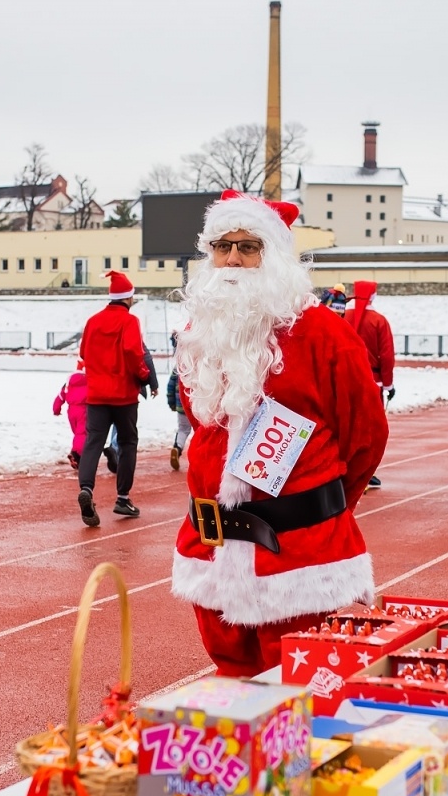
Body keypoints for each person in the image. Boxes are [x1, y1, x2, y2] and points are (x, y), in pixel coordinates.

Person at [171, 190, 387, 677]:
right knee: (234, 698)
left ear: (275, 257)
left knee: (305, 699)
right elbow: (199, 420)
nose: (232, 259)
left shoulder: (324, 334)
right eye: (222, 246)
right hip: (213, 551)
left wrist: (322, 512)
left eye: (249, 247)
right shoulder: (201, 331)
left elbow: (365, 436)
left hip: (299, 559)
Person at [76, 270, 150, 525]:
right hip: (123, 395)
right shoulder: (130, 321)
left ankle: (86, 488)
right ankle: (123, 498)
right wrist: (143, 375)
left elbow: (84, 353)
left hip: (96, 395)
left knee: (93, 442)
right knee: (128, 442)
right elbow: (132, 351)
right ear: (128, 298)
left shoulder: (93, 321)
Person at [347, 280, 395, 488]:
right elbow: (386, 355)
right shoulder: (379, 321)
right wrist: (388, 384)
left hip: (347, 380)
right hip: (372, 381)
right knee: (371, 429)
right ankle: (366, 471)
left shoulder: (344, 317)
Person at [53, 360, 89, 470]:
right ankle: (76, 454)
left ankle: (79, 454)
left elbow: (61, 396)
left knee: (77, 433)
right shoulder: (89, 380)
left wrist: (56, 409)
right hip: (84, 409)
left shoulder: (69, 381)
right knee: (82, 433)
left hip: (71, 411)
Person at [168, 332, 192, 470]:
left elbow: (170, 386)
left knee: (183, 429)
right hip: (196, 406)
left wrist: (171, 402)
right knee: (199, 431)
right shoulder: (199, 365)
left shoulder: (178, 367)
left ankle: (177, 447)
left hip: (181, 405)